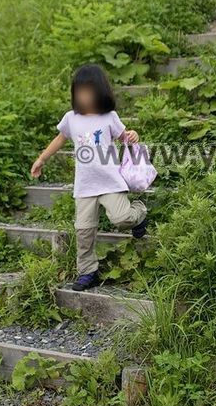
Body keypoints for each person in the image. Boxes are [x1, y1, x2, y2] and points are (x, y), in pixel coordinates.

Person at [30, 64, 148, 292]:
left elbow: (125, 137)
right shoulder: (71, 118)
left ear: (100, 91)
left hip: (110, 182)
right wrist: (42, 159)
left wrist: (133, 135)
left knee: (122, 217)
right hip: (85, 187)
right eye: (80, 91)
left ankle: (140, 212)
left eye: (89, 91)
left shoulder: (109, 117)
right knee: (83, 231)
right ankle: (88, 272)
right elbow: (60, 139)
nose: (84, 96)